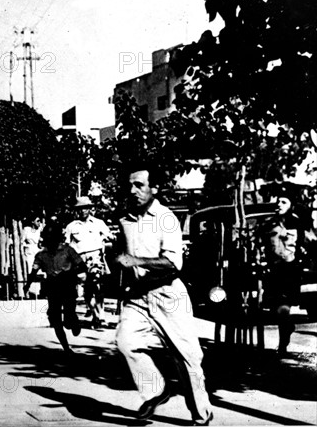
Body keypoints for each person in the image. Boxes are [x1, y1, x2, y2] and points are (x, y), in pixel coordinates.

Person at [114, 165, 213, 425]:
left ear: (154, 188)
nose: (133, 190)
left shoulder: (166, 218)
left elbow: (173, 263)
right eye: (130, 185)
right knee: (126, 342)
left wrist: (135, 260)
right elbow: (123, 256)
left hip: (168, 295)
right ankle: (156, 390)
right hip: (138, 297)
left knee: (186, 355)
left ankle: (201, 413)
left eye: (140, 185)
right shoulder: (125, 218)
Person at [25, 222, 86, 355]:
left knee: (69, 318)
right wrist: (28, 284)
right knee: (55, 318)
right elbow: (33, 271)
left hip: (68, 287)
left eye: (53, 237)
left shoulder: (68, 250)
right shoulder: (41, 255)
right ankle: (66, 348)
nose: (50, 240)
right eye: (48, 237)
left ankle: (74, 322)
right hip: (53, 289)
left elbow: (81, 265)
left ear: (59, 237)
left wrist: (74, 274)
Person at [260, 192, 303, 356]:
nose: (279, 205)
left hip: (289, 269)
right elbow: (262, 242)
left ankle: (282, 345)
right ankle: (286, 328)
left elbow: (302, 244)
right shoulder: (269, 224)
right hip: (273, 270)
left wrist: (298, 262)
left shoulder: (296, 222)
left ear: (290, 205)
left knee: (283, 308)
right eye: (278, 202)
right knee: (274, 308)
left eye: (283, 202)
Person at [65, 196, 113, 328]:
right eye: (80, 209)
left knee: (98, 287)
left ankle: (101, 314)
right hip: (80, 260)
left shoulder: (98, 223)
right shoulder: (71, 226)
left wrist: (110, 240)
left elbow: (110, 237)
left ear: (90, 209)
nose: (82, 212)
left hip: (96, 258)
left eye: (85, 209)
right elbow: (66, 246)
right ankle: (95, 315)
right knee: (87, 289)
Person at [22, 215, 45, 296]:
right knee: (31, 272)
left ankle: (41, 291)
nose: (39, 223)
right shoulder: (26, 230)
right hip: (29, 253)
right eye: (37, 221)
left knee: (41, 272)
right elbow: (22, 242)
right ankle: (28, 290)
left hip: (38, 252)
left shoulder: (40, 230)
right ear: (32, 221)